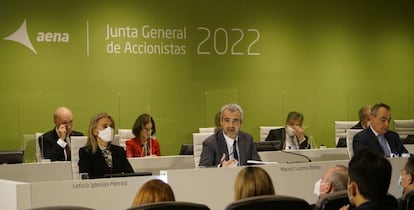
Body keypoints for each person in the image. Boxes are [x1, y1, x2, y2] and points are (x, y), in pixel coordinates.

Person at [199, 103, 261, 167]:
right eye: (227, 120)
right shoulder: (211, 143)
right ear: (221, 122)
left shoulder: (248, 140)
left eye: (235, 121)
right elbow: (203, 169)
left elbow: (257, 164)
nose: (231, 125)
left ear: (241, 123)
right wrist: (220, 167)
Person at [78, 112, 134, 178]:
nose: (109, 130)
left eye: (111, 126)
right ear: (94, 131)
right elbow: (86, 180)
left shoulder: (119, 151)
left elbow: (131, 175)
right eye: (105, 126)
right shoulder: (85, 153)